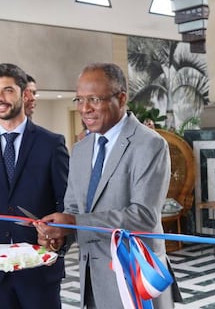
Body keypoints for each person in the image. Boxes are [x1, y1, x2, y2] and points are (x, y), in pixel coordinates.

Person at [35, 62, 174, 309]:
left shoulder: (150, 145)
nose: (84, 108)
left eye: (94, 99)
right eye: (79, 100)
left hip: (134, 280)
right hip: (92, 280)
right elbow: (73, 210)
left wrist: (74, 223)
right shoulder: (79, 150)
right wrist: (59, 236)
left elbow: (143, 216)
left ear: (121, 99)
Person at [0, 63, 69, 309]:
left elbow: (67, 204)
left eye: (7, 90)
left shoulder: (51, 144)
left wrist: (59, 241)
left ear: (25, 94)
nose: (0, 98)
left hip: (39, 272)